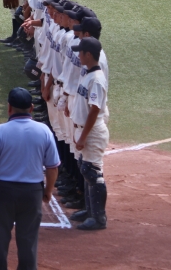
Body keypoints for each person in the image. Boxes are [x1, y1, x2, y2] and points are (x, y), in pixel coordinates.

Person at [0, 88, 60, 270]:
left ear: (9, 108)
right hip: (32, 193)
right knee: (28, 241)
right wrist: (48, 191)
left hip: (4, 192)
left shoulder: (0, 131)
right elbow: (53, 167)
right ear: (31, 108)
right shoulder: (44, 131)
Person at [66, 37, 109, 230]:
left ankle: (98, 218)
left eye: (81, 52)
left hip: (92, 132)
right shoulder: (88, 74)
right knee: (85, 168)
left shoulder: (97, 79)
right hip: (84, 129)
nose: (78, 55)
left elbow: (94, 110)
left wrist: (83, 136)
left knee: (93, 172)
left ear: (88, 55)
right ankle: (89, 210)